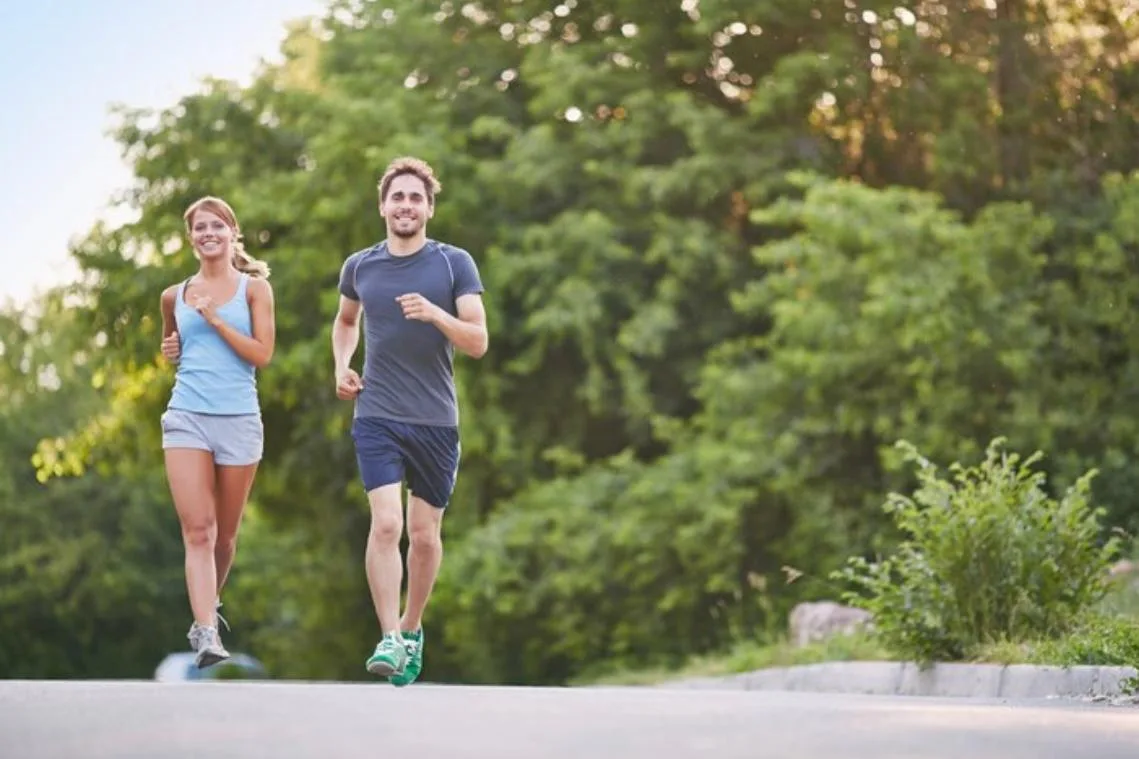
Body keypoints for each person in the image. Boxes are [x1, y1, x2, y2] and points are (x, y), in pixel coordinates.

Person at [331, 156, 488, 686]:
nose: (405, 205)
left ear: (429, 208)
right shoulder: (361, 266)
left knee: (423, 536)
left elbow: (478, 341)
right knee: (387, 524)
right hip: (376, 413)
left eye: (415, 198)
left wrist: (436, 314)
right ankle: (389, 639)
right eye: (397, 197)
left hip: (437, 421)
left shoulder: (453, 264)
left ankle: (412, 625)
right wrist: (341, 365)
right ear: (383, 206)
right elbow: (346, 320)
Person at [158, 196, 276, 669]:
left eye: (217, 226)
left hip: (239, 420)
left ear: (232, 232)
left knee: (225, 537)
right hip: (186, 415)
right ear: (191, 239)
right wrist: (170, 348)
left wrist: (214, 320)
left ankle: (210, 606)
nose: (209, 233)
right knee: (199, 530)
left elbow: (262, 354)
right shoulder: (174, 295)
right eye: (200, 228)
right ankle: (206, 631)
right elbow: (172, 347)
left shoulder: (255, 290)